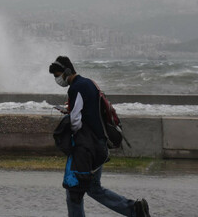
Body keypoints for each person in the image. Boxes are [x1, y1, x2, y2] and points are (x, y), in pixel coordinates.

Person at [49, 55, 151, 217]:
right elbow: (90, 111)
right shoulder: (89, 83)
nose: (57, 79)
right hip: (99, 144)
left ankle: (134, 209)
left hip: (88, 148)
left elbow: (76, 120)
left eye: (57, 74)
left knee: (74, 190)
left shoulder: (76, 87)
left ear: (67, 71)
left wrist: (73, 131)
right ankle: (134, 210)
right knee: (93, 188)